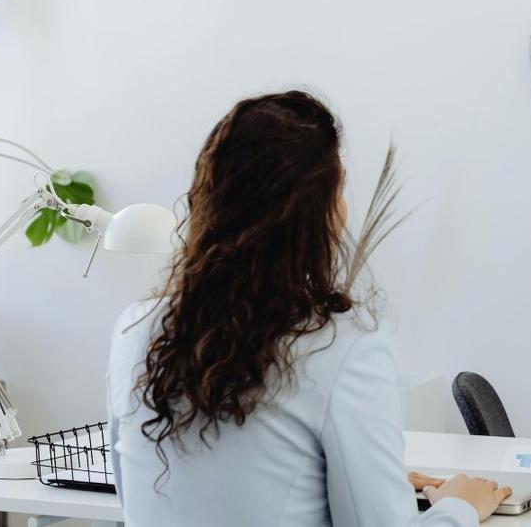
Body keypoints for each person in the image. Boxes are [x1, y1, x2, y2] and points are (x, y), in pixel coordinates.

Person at [107, 91, 510, 526]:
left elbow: (138, 497)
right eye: (340, 188)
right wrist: (461, 506)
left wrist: (365, 485)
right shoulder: (340, 346)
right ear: (318, 212)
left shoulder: (135, 329)